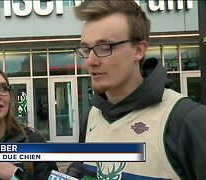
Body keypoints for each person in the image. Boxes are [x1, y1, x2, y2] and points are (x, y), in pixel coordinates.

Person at [71, 1, 206, 179]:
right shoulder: (92, 116)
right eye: (86, 49)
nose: (90, 61)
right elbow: (82, 166)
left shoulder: (187, 120)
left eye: (105, 48)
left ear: (139, 50)